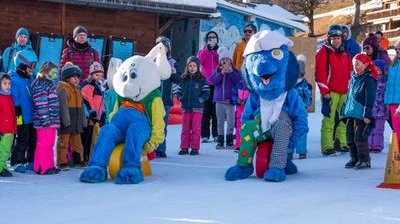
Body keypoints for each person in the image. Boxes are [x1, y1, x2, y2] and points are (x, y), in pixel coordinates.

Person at [315, 24, 353, 156]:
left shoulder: (346, 54)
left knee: (344, 118)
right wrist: (325, 93)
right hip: (330, 92)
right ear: (329, 38)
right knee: (329, 119)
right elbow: (320, 74)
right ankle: (327, 146)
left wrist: (350, 90)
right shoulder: (323, 52)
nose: (336, 41)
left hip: (344, 92)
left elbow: (350, 73)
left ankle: (340, 142)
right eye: (334, 38)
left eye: (338, 38)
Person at [341, 53, 377, 169]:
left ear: (366, 65)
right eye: (353, 64)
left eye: (357, 64)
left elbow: (369, 98)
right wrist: (344, 108)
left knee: (359, 137)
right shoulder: (353, 78)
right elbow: (349, 95)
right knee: (350, 137)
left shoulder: (368, 80)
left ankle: (364, 159)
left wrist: (367, 113)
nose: (355, 66)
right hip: (351, 112)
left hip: (361, 114)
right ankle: (354, 158)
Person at [175, 56, 210, 155]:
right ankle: (184, 147)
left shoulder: (202, 79)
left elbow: (206, 92)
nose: (192, 67)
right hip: (186, 108)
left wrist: (201, 99)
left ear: (198, 67)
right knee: (185, 128)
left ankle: (195, 148)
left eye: (194, 66)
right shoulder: (183, 79)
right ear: (187, 67)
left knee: (196, 128)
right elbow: (178, 91)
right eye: (190, 65)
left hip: (197, 108)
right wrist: (180, 98)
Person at [10, 50, 38, 173]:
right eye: (31, 65)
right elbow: (14, 99)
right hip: (21, 115)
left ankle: (30, 160)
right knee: (22, 139)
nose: (33, 69)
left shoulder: (30, 78)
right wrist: (18, 117)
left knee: (33, 139)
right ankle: (17, 161)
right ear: (22, 65)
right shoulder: (14, 80)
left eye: (34, 66)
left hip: (33, 116)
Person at [31, 62, 61, 175]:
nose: (55, 75)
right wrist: (45, 120)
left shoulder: (49, 84)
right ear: (45, 72)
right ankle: (42, 167)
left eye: (56, 73)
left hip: (52, 121)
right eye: (53, 72)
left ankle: (49, 165)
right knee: (43, 143)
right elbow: (41, 103)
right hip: (44, 121)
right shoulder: (40, 84)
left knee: (49, 144)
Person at [56, 62, 87, 170]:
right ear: (67, 78)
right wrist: (66, 120)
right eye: (74, 77)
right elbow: (63, 107)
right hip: (67, 121)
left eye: (78, 77)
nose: (76, 79)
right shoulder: (63, 89)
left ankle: (78, 160)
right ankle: (62, 162)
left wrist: (84, 120)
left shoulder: (78, 90)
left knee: (77, 143)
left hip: (76, 121)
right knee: (63, 143)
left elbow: (82, 107)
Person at [154, 36, 181, 158]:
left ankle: (161, 149)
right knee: (152, 125)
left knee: (162, 126)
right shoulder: (151, 61)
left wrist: (173, 72)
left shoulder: (172, 62)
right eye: (159, 46)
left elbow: (177, 79)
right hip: (153, 99)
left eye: (164, 46)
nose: (162, 49)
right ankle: (150, 149)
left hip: (165, 99)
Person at [210, 47, 241, 149]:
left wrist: (231, 72)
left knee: (231, 122)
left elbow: (238, 81)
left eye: (227, 59)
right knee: (220, 122)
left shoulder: (234, 71)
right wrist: (221, 74)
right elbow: (212, 81)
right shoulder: (218, 71)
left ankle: (229, 141)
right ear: (220, 62)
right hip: (219, 100)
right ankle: (220, 141)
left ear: (230, 61)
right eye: (223, 60)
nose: (225, 62)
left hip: (230, 101)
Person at [80, 61, 106, 163]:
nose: (99, 77)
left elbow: (101, 102)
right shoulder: (88, 84)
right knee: (85, 138)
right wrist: (91, 112)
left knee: (92, 137)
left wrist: (103, 113)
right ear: (91, 74)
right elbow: (87, 99)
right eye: (96, 75)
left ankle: (90, 156)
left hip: (96, 117)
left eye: (100, 75)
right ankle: (83, 157)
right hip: (89, 117)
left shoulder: (100, 86)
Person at [288, 55, 312, 160]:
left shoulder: (305, 85)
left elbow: (308, 98)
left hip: (301, 113)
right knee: (288, 130)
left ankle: (302, 151)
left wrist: (304, 107)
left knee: (301, 131)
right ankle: (289, 150)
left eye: (300, 73)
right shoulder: (288, 85)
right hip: (289, 112)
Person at [197, 31, 219, 143]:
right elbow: (199, 61)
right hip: (206, 85)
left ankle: (216, 134)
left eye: (214, 38)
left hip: (217, 85)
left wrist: (216, 51)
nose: (212, 39)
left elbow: (223, 62)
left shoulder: (219, 51)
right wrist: (207, 49)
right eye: (209, 38)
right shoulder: (202, 51)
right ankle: (204, 135)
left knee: (216, 112)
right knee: (205, 111)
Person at [368, 59, 387, 153]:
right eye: (374, 69)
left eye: (378, 69)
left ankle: (377, 146)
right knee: (369, 128)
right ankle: (368, 145)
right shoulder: (369, 80)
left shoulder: (385, 81)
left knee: (378, 129)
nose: (376, 71)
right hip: (370, 109)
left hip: (381, 110)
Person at [384, 40, 400, 147]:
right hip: (392, 101)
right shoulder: (393, 64)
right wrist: (387, 100)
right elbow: (389, 84)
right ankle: (397, 150)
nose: (398, 51)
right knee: (396, 128)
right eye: (396, 49)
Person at [0, 72, 16, 177]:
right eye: (5, 83)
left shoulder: (9, 97)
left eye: (9, 83)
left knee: (7, 150)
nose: (7, 86)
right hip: (3, 130)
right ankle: (0, 168)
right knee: (3, 150)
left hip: (10, 129)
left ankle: (3, 166)